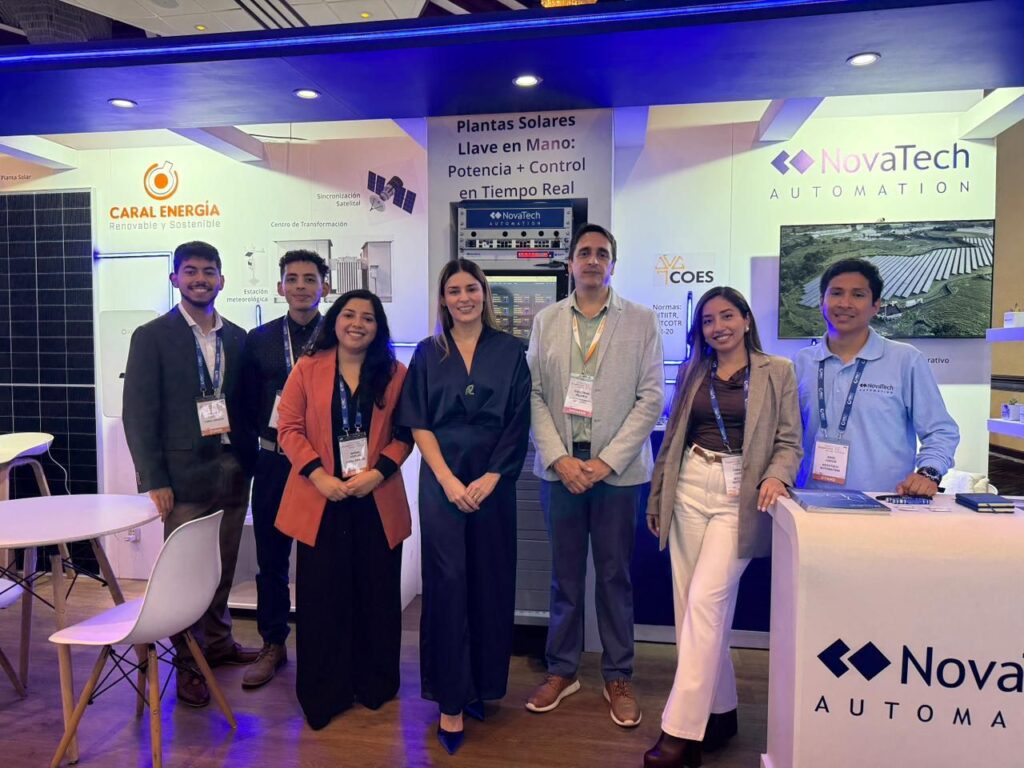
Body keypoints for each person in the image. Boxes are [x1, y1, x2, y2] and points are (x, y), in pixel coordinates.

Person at [642, 287, 802, 768]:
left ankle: (679, 732)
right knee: (691, 611)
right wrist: (658, 495)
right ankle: (721, 712)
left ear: (746, 320)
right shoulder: (694, 369)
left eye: (727, 316)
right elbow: (674, 437)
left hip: (741, 495)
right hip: (689, 485)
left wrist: (777, 475)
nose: (718, 327)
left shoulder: (778, 371)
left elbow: (790, 440)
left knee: (706, 605)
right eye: (709, 320)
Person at [525, 223, 664, 728]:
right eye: (583, 252)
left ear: (612, 265)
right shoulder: (546, 321)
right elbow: (534, 394)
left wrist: (606, 461)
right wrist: (560, 458)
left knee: (614, 577)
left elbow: (651, 397)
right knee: (563, 577)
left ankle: (618, 674)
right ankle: (562, 670)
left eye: (601, 253)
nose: (591, 260)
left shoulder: (642, 321)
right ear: (570, 263)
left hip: (616, 475)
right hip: (560, 472)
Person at [396, 258, 531, 755]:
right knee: (448, 584)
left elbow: (519, 419)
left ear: (484, 294)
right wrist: (449, 481)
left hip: (495, 480)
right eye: (454, 290)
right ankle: (450, 700)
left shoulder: (511, 351)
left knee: (490, 580)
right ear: (443, 299)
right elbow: (418, 422)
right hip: (443, 482)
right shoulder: (427, 352)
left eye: (471, 288)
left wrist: (493, 476)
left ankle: (482, 686)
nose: (464, 298)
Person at [123, 240, 259, 709]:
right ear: (175, 278)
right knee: (185, 574)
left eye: (209, 271)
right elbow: (138, 412)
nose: (200, 279)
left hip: (233, 466)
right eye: (191, 271)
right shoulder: (152, 336)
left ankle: (217, 644)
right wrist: (153, 478)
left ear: (222, 279)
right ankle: (188, 663)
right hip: (182, 475)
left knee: (222, 566)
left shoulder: (238, 337)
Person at [274, 289, 413, 730]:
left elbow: (406, 434)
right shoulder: (307, 368)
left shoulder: (395, 373)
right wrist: (318, 475)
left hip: (376, 499)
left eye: (367, 318)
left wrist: (377, 474)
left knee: (376, 597)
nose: (357, 324)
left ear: (378, 327)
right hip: (322, 499)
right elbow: (289, 429)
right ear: (334, 320)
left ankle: (374, 685)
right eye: (349, 315)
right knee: (321, 601)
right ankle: (324, 693)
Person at [237, 250, 330, 689]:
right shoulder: (258, 340)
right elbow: (243, 405)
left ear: (324, 287)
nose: (301, 286)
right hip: (274, 461)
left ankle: (320, 642)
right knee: (271, 558)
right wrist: (252, 460)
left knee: (320, 559)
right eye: (292, 279)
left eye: (310, 279)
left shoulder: (339, 334)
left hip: (322, 466)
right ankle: (273, 642)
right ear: (280, 287)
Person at [794, 258, 959, 495]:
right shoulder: (800, 363)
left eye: (858, 295)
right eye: (836, 293)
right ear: (822, 302)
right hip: (810, 500)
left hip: (884, 502)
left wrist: (928, 473)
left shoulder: (905, 360)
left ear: (876, 305)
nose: (845, 303)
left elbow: (940, 430)